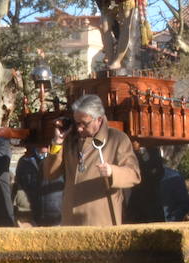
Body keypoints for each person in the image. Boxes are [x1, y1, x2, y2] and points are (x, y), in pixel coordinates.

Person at [43, 94, 141, 226]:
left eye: (84, 124)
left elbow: (134, 175)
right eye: (77, 123)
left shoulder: (117, 139)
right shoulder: (70, 139)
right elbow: (50, 174)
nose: (79, 128)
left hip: (101, 222)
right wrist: (58, 142)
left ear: (99, 119)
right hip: (71, 223)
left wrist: (112, 171)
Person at [14, 140, 63, 227]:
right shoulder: (24, 161)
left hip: (57, 220)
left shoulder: (62, 159)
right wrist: (25, 217)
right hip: (32, 219)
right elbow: (19, 188)